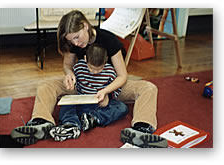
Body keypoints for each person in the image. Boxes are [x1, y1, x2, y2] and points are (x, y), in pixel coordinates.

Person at [11, 10, 167, 148]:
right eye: (71, 41)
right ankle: (41, 123)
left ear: (85, 25)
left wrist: (105, 91)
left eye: (77, 38)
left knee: (148, 88)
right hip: (82, 85)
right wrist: (69, 74)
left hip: (111, 85)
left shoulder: (108, 40)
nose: (76, 43)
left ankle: (141, 128)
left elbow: (122, 76)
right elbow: (67, 65)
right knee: (46, 85)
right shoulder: (74, 43)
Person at [49, 44, 128, 142]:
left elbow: (116, 88)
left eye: (99, 69)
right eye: (91, 68)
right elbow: (71, 79)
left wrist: (108, 96)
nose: (95, 72)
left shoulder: (110, 71)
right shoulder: (79, 67)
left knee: (122, 107)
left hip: (100, 106)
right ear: (85, 58)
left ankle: (93, 119)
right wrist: (70, 84)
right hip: (82, 103)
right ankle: (71, 125)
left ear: (106, 60)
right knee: (66, 105)